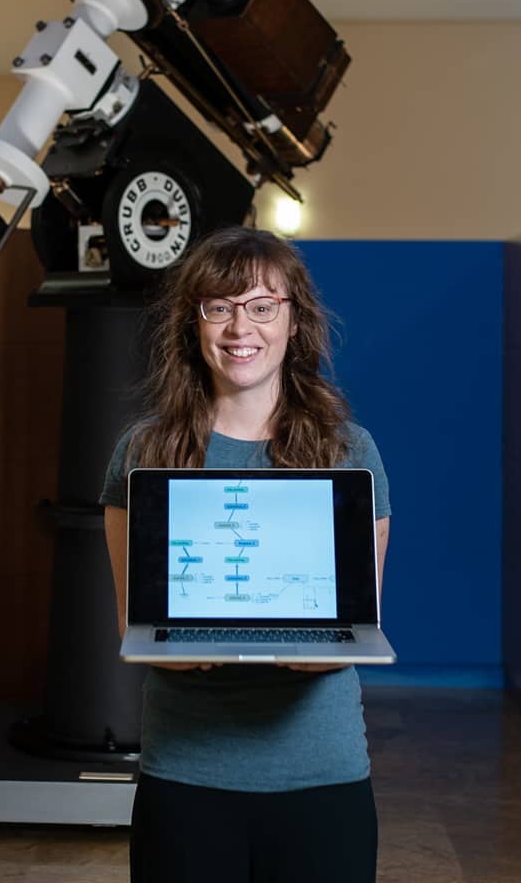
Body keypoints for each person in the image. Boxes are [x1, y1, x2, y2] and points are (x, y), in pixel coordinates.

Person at [101, 225, 391, 883]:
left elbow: (357, 622)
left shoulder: (350, 451)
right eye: (219, 307)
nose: (241, 328)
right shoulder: (143, 452)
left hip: (323, 776)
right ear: (193, 322)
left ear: (295, 321)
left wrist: (313, 652)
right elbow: (131, 623)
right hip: (185, 774)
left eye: (263, 306)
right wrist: (175, 650)